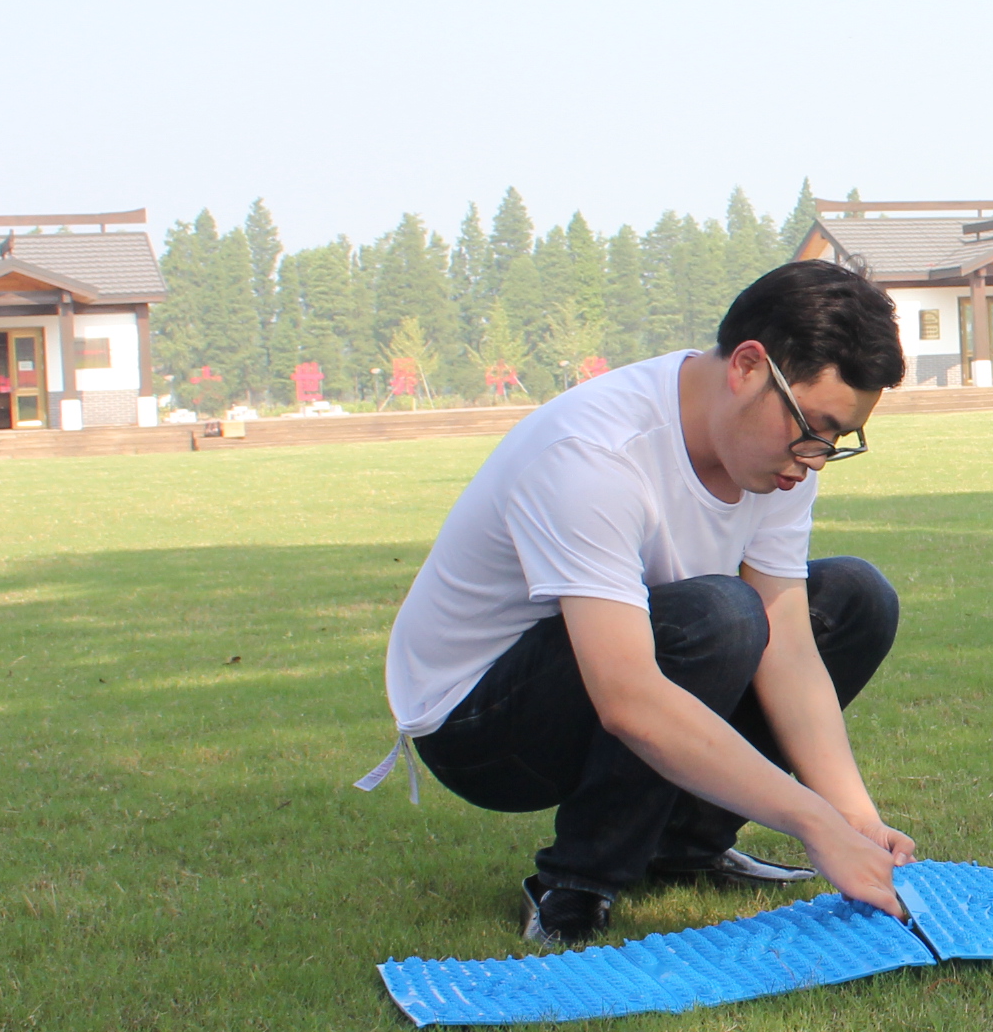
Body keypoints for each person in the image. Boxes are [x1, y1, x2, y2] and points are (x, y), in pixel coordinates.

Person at [383, 261, 916, 941]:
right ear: (749, 367)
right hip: (480, 724)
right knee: (720, 616)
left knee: (854, 598)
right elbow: (628, 696)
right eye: (814, 426)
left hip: (632, 659)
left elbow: (787, 640)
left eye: (837, 438)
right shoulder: (592, 453)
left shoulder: (780, 458)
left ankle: (684, 848)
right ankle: (576, 881)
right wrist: (814, 822)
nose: (816, 458)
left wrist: (856, 821)